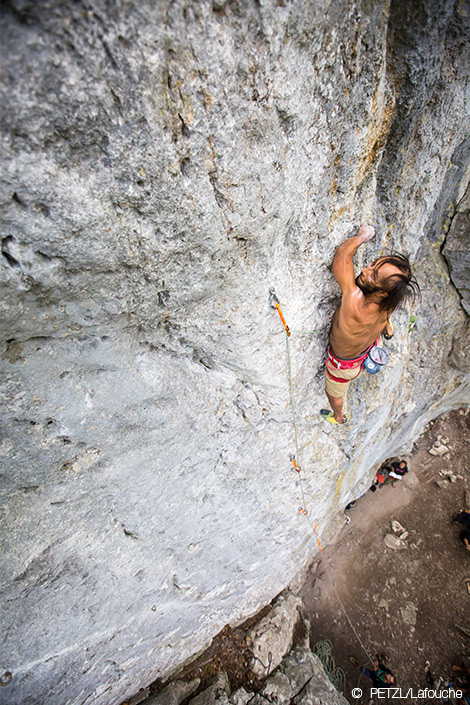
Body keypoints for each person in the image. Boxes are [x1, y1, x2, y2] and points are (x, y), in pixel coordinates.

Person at [321, 225, 419, 424]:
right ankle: (387, 329)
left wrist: (363, 236)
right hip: (371, 347)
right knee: (384, 319)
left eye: (373, 275)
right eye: (373, 265)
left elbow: (342, 256)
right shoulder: (389, 301)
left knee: (333, 394)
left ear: (382, 292)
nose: (366, 270)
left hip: (343, 366)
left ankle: (339, 417)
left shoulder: (355, 301)